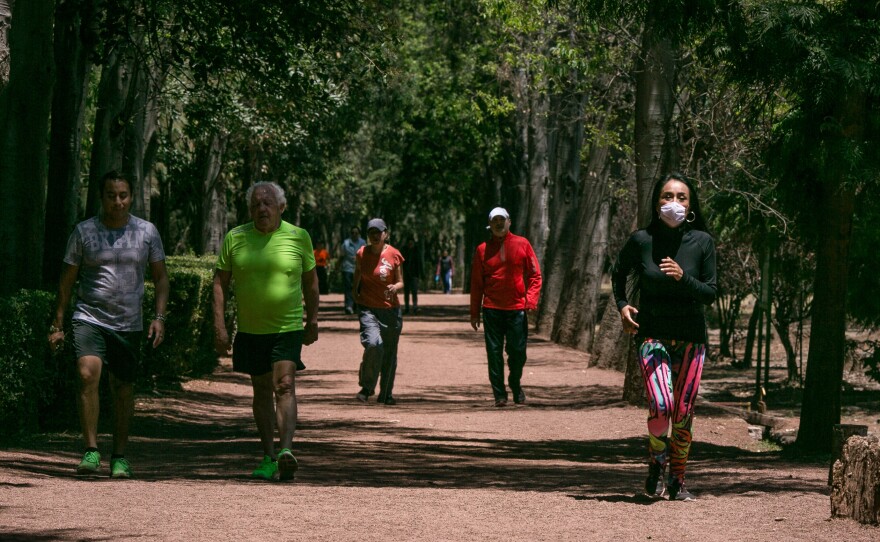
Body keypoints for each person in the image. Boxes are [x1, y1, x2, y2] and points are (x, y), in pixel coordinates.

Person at [48, 170, 169, 479]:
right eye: (111, 196)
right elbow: (67, 279)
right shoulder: (84, 232)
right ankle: (90, 450)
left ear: (131, 196)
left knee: (123, 389)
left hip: (129, 323)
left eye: (123, 195)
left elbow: (160, 277)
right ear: (101, 198)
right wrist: (58, 321)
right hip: (90, 316)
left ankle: (119, 455)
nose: (118, 202)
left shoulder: (146, 232)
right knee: (87, 373)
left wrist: (159, 317)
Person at [611, 172, 717, 502]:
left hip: (691, 339)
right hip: (652, 336)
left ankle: (678, 480)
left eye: (681, 197)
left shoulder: (702, 242)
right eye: (667, 196)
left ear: (691, 204)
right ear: (657, 203)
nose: (674, 203)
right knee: (660, 405)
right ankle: (656, 462)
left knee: (683, 412)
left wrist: (684, 278)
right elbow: (618, 273)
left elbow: (711, 293)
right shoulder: (642, 240)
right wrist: (623, 305)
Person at [213, 181, 319, 481]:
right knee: (261, 390)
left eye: (268, 203)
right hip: (250, 330)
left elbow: (311, 283)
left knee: (284, 384)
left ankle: (286, 451)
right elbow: (219, 283)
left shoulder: (299, 237)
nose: (262, 208)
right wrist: (219, 326)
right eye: (256, 204)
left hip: (287, 327)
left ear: (281, 207)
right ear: (250, 210)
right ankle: (269, 456)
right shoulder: (236, 238)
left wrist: (312, 320)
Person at [470, 207, 542, 407]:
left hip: (516, 309)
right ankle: (499, 394)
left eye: (502, 220)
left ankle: (515, 382)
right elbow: (476, 284)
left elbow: (535, 275)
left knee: (518, 351)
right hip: (492, 309)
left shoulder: (522, 244)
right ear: (490, 225)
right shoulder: (482, 249)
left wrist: (530, 299)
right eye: (495, 221)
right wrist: (474, 313)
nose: (499, 224)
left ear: (509, 222)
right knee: (494, 353)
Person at [354, 218, 404, 405]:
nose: (375, 236)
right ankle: (367, 387)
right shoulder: (361, 253)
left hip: (391, 310)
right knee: (374, 344)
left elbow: (401, 281)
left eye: (378, 232)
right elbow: (357, 277)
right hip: (368, 308)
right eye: (371, 233)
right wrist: (355, 297)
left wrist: (395, 287)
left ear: (386, 234)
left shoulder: (394, 254)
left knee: (390, 353)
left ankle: (386, 393)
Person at [340, 226, 366, 314]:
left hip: (359, 269)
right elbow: (341, 256)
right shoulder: (345, 243)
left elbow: (366, 256)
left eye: (356, 233)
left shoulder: (363, 243)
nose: (354, 234)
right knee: (348, 288)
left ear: (359, 234)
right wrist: (337, 267)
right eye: (352, 233)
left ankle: (356, 306)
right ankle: (348, 306)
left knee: (358, 288)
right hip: (347, 268)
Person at [400, 238, 424, 314]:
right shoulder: (404, 251)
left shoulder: (417, 251)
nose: (410, 244)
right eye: (409, 243)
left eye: (411, 243)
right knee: (406, 292)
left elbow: (420, 263)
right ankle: (407, 308)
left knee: (414, 291)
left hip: (414, 275)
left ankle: (415, 307)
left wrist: (422, 274)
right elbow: (401, 263)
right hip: (406, 274)